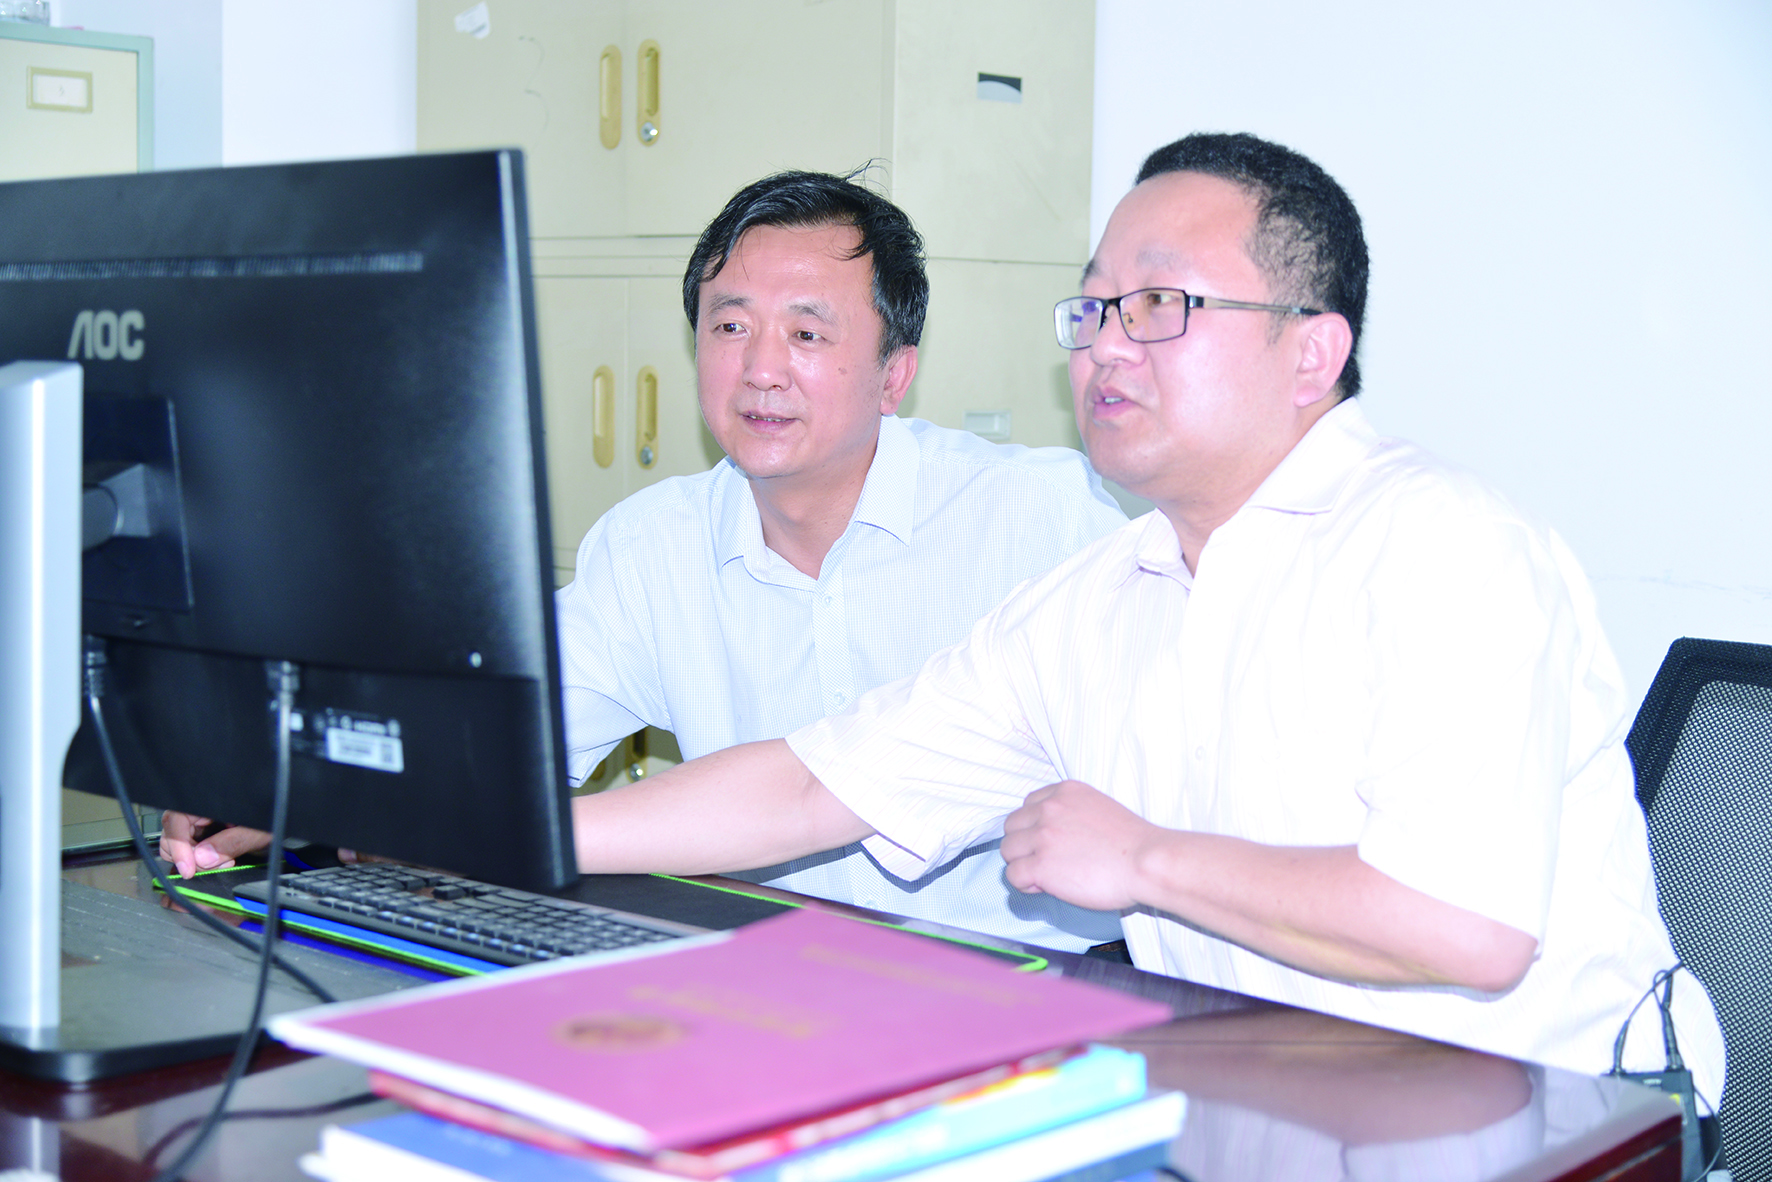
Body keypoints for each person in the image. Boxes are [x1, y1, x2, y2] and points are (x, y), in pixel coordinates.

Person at [566, 134, 1725, 1096]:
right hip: (1254, 1100)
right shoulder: (1099, 595)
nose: (1106, 342)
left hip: (1550, 1119)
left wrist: (1142, 860)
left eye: (1159, 303)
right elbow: (813, 788)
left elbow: (1463, 927)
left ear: (1310, 350)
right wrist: (527, 831)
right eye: (1093, 307)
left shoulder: (1439, 545)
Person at [161, 170, 1129, 954]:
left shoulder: (1039, 518)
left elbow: (819, 790)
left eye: (806, 332)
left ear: (895, 374)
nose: (759, 368)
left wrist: (466, 829)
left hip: (1027, 978)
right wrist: (291, 784)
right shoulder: (654, 544)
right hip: (758, 972)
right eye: (729, 325)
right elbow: (497, 730)